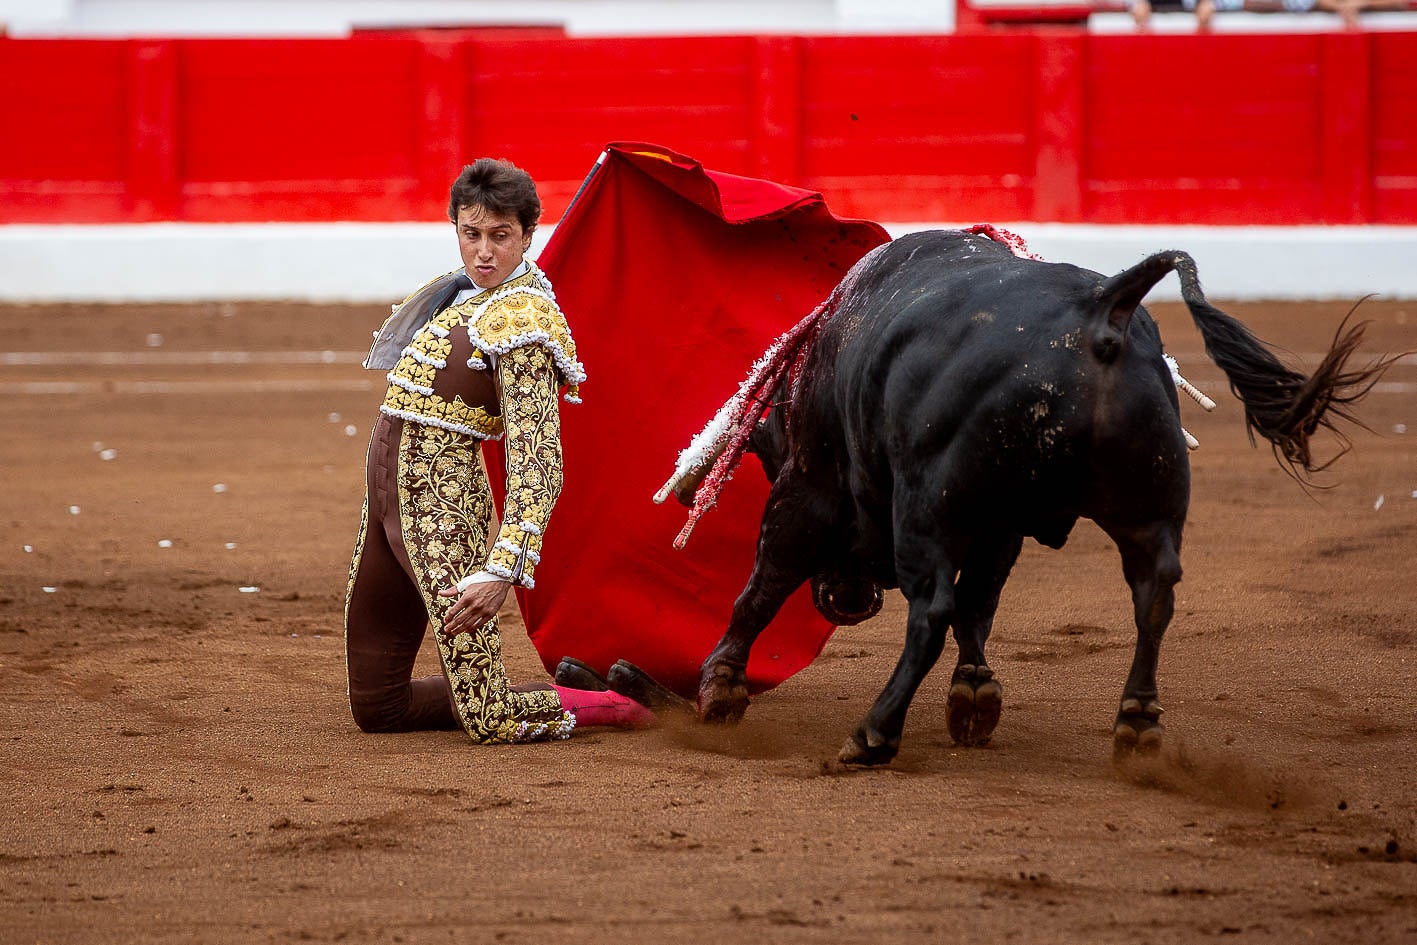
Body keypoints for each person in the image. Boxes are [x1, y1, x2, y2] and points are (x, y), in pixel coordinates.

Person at [344, 158, 659, 742]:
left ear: (526, 236)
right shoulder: (458, 297)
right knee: (376, 706)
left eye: (500, 236)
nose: (483, 252)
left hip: (443, 516)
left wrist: (502, 568)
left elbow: (538, 457)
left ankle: (612, 703)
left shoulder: (525, 320)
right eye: (472, 234)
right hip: (386, 510)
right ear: (457, 229)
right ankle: (488, 697)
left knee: (491, 722)